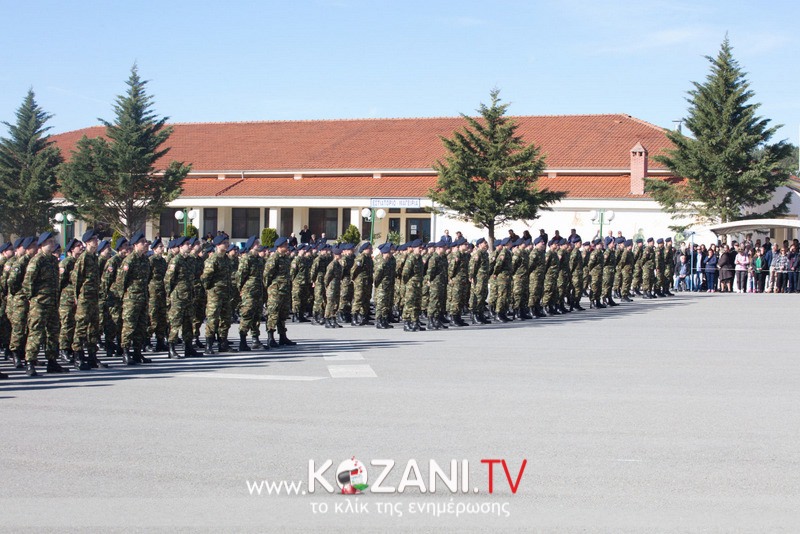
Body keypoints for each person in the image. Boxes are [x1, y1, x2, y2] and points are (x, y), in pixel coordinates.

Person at [21, 232, 70, 376]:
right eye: (49, 242)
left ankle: (52, 361)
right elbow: (27, 282)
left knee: (53, 333)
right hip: (40, 303)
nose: (53, 244)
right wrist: (33, 298)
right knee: (36, 333)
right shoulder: (37, 260)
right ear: (42, 245)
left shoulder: (53, 261)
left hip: (53, 303)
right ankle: (30, 362)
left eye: (53, 241)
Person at [71, 229, 107, 370]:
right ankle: (78, 356)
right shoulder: (84, 258)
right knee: (81, 327)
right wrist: (77, 297)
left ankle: (92, 356)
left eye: (96, 240)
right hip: (85, 298)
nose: (96, 242)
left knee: (94, 328)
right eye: (93, 240)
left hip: (94, 298)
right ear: (87, 243)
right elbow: (76, 279)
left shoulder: (94, 257)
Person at [115, 231, 152, 365]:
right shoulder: (129, 260)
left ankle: (137, 353)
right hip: (131, 298)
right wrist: (122, 298)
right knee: (129, 326)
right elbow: (120, 281)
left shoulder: (145, 260)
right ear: (135, 245)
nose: (145, 244)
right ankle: (125, 352)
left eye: (145, 241)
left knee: (141, 326)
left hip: (143, 297)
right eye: (142, 242)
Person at [202, 233, 235, 353]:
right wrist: (210, 290)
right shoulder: (213, 259)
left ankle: (223, 343)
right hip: (215, 293)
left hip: (226, 293)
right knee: (213, 318)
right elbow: (206, 277)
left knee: (225, 318)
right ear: (217, 245)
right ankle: (209, 344)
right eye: (224, 243)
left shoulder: (226, 259)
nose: (227, 245)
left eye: (227, 242)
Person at [263, 237, 295, 347]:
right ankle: (270, 338)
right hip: (275, 290)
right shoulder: (274, 258)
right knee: (273, 313)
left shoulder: (286, 258)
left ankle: (283, 337)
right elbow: (267, 275)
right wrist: (270, 287)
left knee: (283, 314)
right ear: (279, 247)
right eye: (285, 245)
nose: (287, 247)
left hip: (285, 290)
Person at [237, 235, 265, 350]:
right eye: (257, 243)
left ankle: (255, 339)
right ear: (253, 245)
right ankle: (242, 341)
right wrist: (241, 290)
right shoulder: (246, 259)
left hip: (258, 291)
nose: (259, 245)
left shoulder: (259, 259)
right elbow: (240, 276)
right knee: (247, 314)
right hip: (248, 291)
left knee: (257, 315)